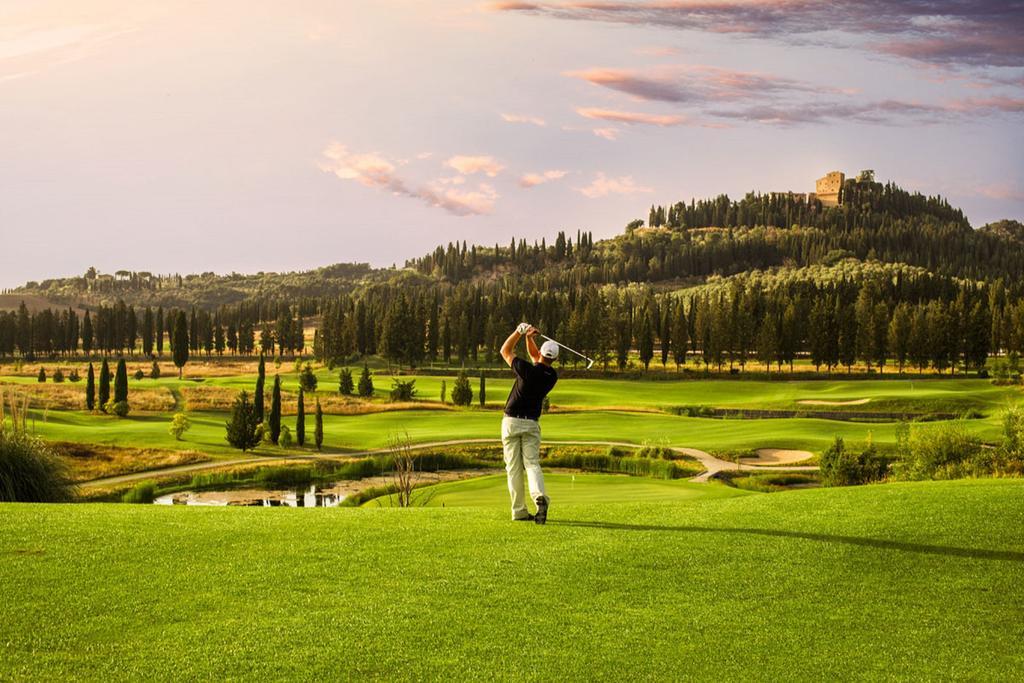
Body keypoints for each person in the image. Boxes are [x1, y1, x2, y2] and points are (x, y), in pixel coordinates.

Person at [499, 322, 559, 524]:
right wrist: (529, 337)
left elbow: (505, 351)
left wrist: (519, 331)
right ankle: (539, 497)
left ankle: (519, 511)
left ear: (542, 353)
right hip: (531, 424)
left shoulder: (524, 369)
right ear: (555, 359)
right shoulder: (551, 376)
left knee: (513, 468)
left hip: (511, 422)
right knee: (532, 464)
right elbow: (537, 358)